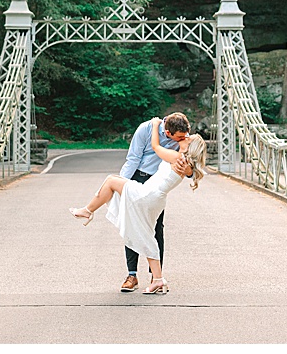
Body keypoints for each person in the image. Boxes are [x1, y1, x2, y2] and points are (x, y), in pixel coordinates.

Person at [70, 117, 206, 294]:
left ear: (190, 147)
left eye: (187, 138)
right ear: (169, 132)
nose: (184, 138)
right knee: (144, 232)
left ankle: (87, 211)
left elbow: (157, 148)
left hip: (148, 194)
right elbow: (134, 158)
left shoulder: (177, 156)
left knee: (113, 184)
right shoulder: (181, 158)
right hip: (150, 192)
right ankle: (155, 279)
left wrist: (156, 124)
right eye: (182, 136)